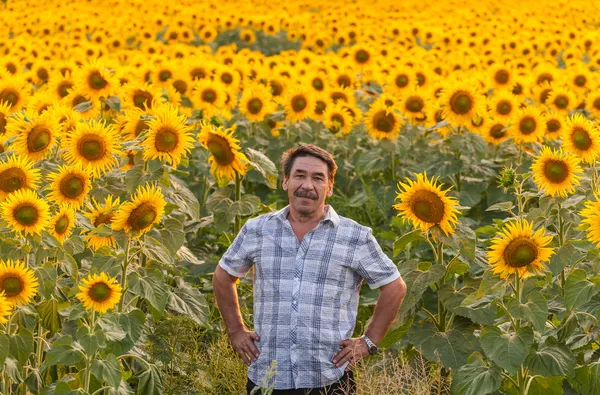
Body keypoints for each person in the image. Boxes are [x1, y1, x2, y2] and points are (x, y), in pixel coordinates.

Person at [212, 144, 407, 395]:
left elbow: (394, 286)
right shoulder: (257, 229)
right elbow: (223, 276)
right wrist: (236, 330)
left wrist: (368, 342)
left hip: (329, 377)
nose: (308, 185)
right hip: (269, 377)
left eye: (318, 178)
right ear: (286, 181)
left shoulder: (354, 236)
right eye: (299, 175)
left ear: (330, 187)